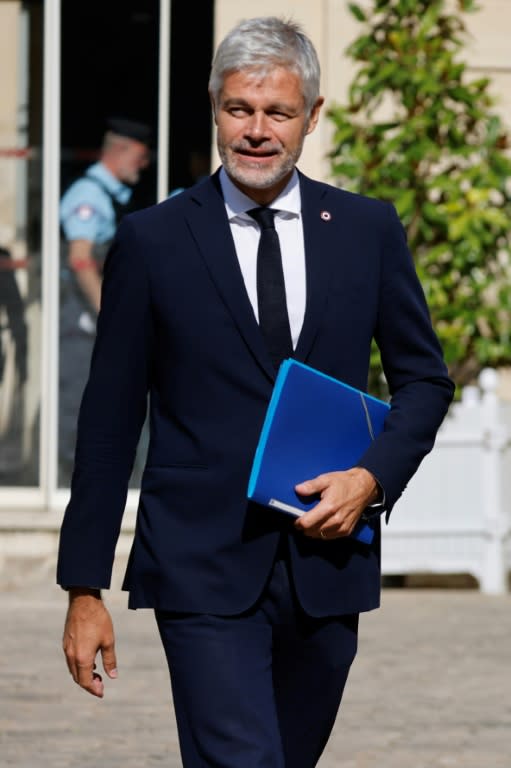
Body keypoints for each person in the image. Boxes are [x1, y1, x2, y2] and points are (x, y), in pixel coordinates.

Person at [57, 16, 455, 768]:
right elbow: (109, 422)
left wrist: (370, 479)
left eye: (277, 112)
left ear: (312, 115)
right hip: (198, 567)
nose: (256, 131)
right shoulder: (153, 240)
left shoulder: (366, 230)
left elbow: (424, 381)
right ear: (214, 108)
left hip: (327, 570)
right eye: (239, 109)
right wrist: (84, 586)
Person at [58, 117, 151, 480]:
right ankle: (68, 482)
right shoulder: (89, 196)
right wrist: (107, 313)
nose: (143, 166)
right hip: (82, 321)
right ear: (120, 151)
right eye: (140, 157)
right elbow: (80, 260)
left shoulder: (111, 195)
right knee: (77, 404)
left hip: (96, 320)